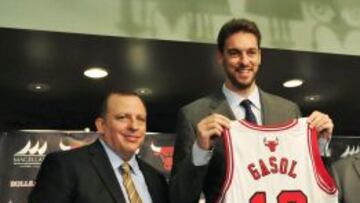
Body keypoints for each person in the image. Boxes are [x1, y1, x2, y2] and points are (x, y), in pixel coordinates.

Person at [170, 18, 334, 203]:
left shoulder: (288, 111)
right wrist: (200, 150)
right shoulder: (194, 115)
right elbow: (178, 198)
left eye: (251, 52)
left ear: (260, 56)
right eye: (234, 53)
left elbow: (314, 183)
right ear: (220, 57)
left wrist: (320, 145)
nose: (244, 61)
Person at [29, 92, 168, 203]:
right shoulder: (64, 166)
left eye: (140, 119)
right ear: (102, 125)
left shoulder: (156, 179)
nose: (134, 126)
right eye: (122, 117)